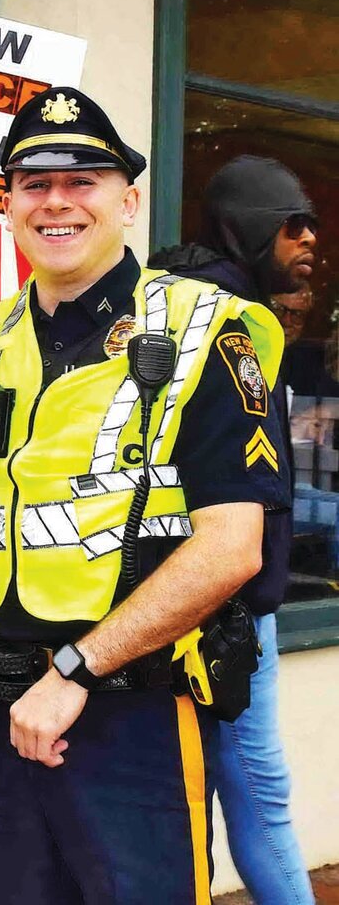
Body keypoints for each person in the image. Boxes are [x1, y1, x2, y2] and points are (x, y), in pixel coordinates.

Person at [0, 86, 290, 904]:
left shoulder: (209, 330)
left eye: (83, 180)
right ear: (9, 206)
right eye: (33, 184)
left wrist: (73, 673)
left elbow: (232, 546)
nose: (56, 202)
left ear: (128, 201)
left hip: (133, 718)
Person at [149, 156, 317, 905]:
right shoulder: (220, 317)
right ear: (248, 223)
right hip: (220, 605)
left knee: (191, 798)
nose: (310, 238)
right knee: (254, 792)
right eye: (292, 222)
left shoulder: (222, 306)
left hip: (214, 601)